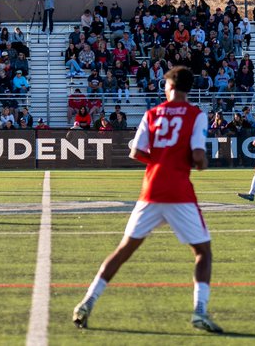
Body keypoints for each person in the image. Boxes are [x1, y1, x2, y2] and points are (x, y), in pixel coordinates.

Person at [72, 66, 221, 333]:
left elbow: (135, 153)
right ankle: (199, 311)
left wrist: (161, 160)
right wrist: (200, 163)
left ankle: (87, 301)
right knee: (203, 252)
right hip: (179, 193)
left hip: (151, 190)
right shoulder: (196, 115)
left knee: (123, 250)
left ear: (170, 86)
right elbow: (198, 157)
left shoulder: (152, 113)